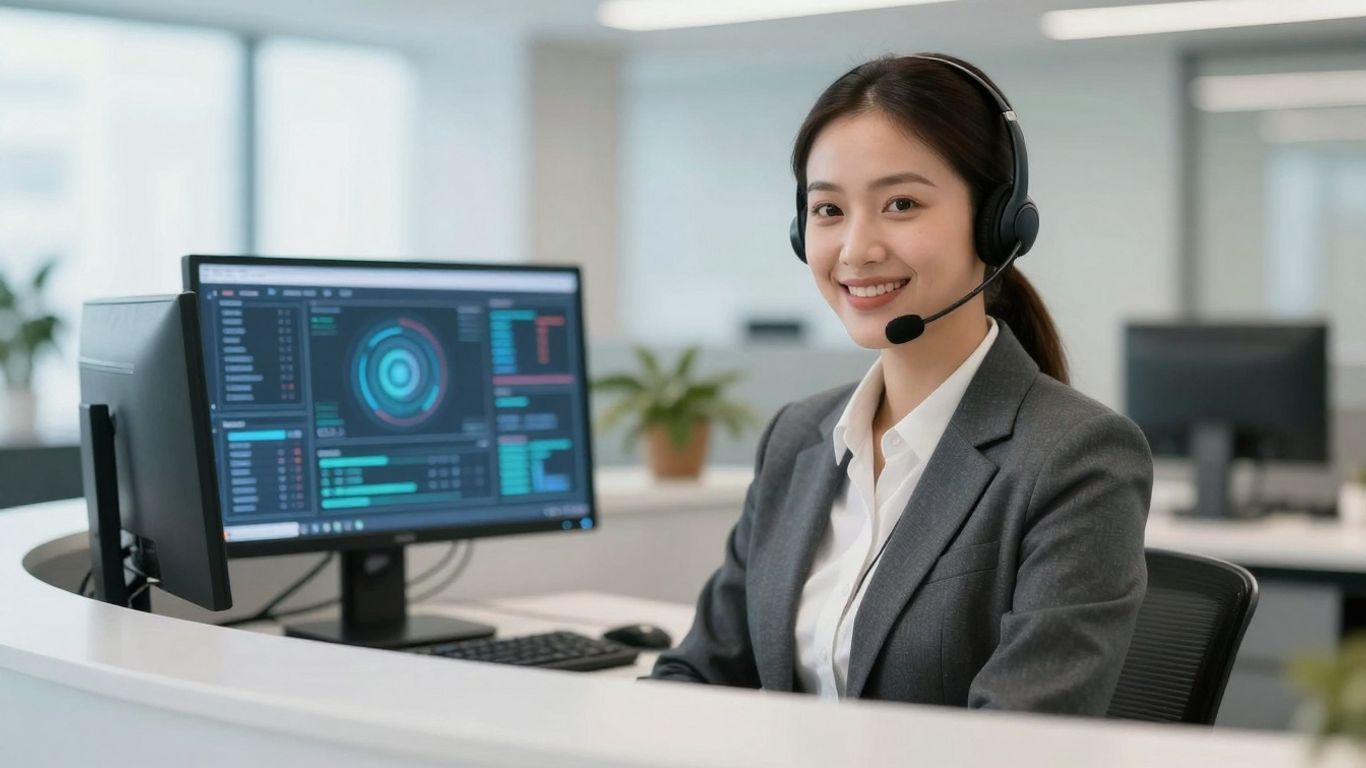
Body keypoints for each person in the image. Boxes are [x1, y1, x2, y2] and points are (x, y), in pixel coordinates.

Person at [649, 53, 1153, 716]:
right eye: (828, 210)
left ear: (995, 223)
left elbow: (1020, 742)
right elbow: (703, 670)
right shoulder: (799, 438)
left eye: (901, 204)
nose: (857, 248)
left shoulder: (1076, 458)